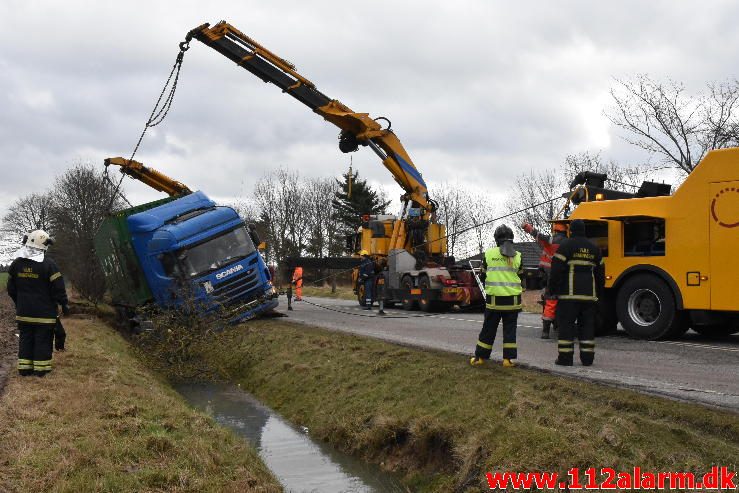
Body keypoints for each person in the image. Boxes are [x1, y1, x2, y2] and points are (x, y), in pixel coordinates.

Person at [6, 230, 69, 377]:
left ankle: (24, 369)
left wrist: (20, 303)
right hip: (44, 314)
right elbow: (58, 288)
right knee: (43, 339)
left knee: (26, 338)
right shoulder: (49, 265)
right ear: (44, 245)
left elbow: (11, 289)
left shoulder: (16, 264)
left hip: (24, 313)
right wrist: (64, 304)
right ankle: (41, 370)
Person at [547, 219, 605, 366]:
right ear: (584, 230)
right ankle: (587, 359)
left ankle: (565, 359)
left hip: (569, 297)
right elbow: (600, 274)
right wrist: (599, 294)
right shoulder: (594, 248)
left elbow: (556, 270)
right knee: (587, 327)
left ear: (570, 231)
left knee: (566, 327)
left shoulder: (566, 246)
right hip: (589, 297)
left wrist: (552, 290)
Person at [470, 224, 523, 368]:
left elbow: (482, 275)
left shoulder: (489, 254)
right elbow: (521, 276)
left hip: (494, 302)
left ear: (496, 239)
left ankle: (480, 358)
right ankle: (508, 360)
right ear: (512, 238)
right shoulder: (518, 256)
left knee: (488, 330)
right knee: (510, 331)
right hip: (513, 302)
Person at [522, 222, 568, 339]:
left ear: (555, 230)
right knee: (564, 303)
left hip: (550, 277)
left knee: (550, 303)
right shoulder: (568, 242)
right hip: (565, 277)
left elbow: (536, 234)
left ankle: (545, 331)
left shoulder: (550, 240)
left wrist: (527, 227)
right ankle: (561, 327)